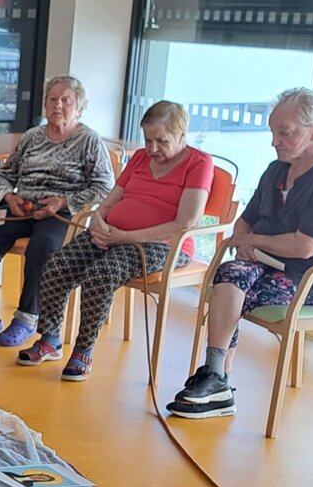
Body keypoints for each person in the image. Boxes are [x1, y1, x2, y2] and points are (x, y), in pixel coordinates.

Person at [168, 87, 313, 420]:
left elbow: (305, 246)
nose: (275, 141)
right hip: (269, 264)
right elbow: (244, 222)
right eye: (273, 132)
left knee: (235, 292)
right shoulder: (277, 169)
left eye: (285, 133)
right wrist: (245, 241)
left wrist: (253, 241)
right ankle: (215, 376)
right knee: (229, 275)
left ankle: (218, 386)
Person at [15, 100, 212, 379]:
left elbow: (184, 223)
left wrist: (125, 237)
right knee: (58, 264)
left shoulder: (199, 163)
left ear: (182, 135)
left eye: (161, 141)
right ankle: (49, 340)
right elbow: (109, 202)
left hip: (165, 245)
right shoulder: (141, 157)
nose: (153, 149)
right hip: (114, 234)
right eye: (148, 140)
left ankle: (83, 351)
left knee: (102, 274)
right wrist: (99, 223)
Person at [0, 75, 115, 349]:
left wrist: (63, 202)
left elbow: (105, 186)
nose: (58, 105)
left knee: (43, 247)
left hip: (61, 214)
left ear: (80, 108)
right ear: (45, 105)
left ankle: (27, 318)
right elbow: (3, 174)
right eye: (52, 99)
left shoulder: (89, 140)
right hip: (23, 208)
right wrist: (8, 197)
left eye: (66, 100)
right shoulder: (32, 137)